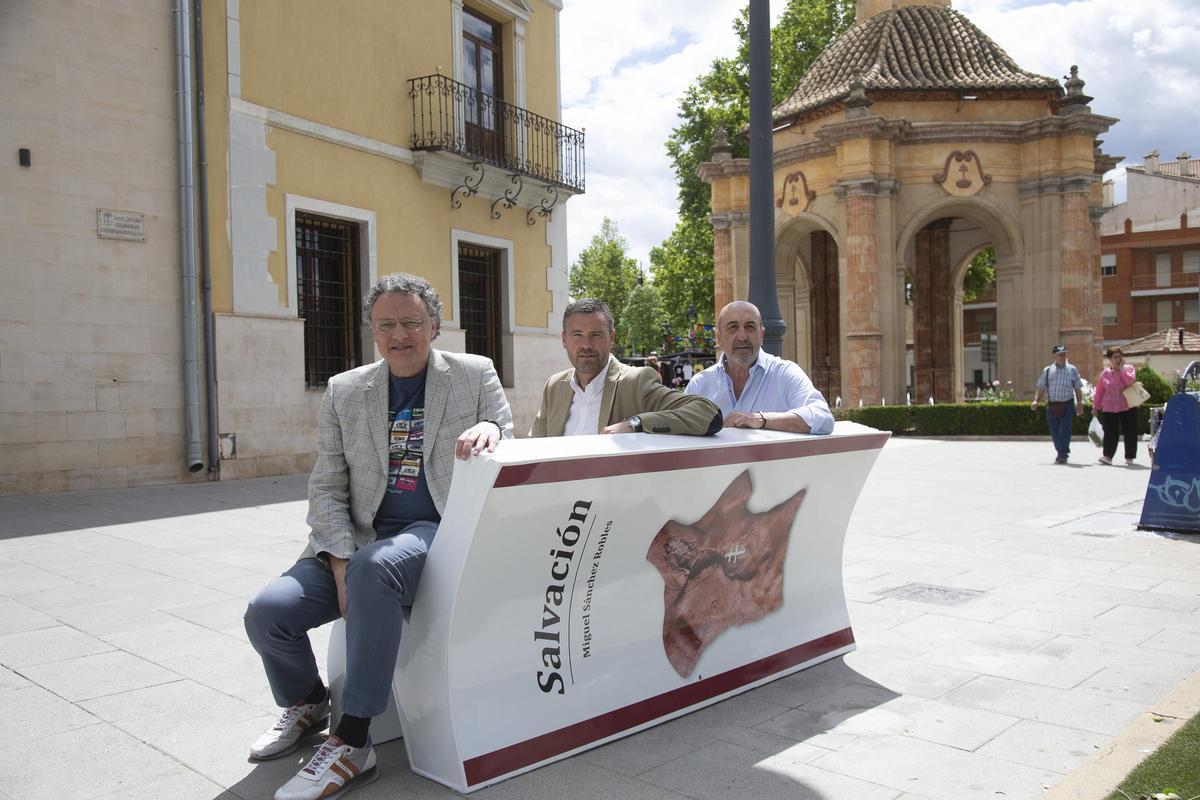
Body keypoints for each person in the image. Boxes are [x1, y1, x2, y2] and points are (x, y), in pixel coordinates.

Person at [243, 273, 512, 800]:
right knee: (268, 612)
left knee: (376, 569)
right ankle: (307, 703)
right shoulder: (347, 390)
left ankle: (353, 741)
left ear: (434, 326)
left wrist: (494, 431)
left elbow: (507, 428)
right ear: (372, 331)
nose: (400, 335)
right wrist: (341, 562)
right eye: (386, 324)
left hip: (433, 531)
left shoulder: (473, 374)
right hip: (357, 538)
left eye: (412, 322)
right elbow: (325, 486)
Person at [529, 298, 721, 437]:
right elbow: (533, 448)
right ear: (564, 340)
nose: (586, 344)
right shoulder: (554, 386)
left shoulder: (636, 382)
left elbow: (707, 413)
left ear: (611, 338)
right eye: (577, 335)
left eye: (595, 334)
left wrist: (636, 424)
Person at [686, 300, 834, 434]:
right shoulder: (700, 384)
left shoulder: (785, 374)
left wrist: (760, 420)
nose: (742, 336)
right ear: (718, 337)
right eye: (733, 328)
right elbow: (679, 430)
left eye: (750, 327)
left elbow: (823, 419)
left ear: (761, 335)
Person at [1031, 344, 1083, 464]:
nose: (1063, 357)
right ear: (1054, 356)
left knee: (1065, 430)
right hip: (1052, 405)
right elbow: (1041, 387)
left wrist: (1079, 403)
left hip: (1067, 404)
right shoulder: (1048, 370)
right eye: (1060, 355)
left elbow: (1077, 388)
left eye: (1064, 354)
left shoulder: (1072, 369)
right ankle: (1062, 451)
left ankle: (1062, 454)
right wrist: (1036, 400)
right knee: (1055, 432)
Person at [1092, 345, 1138, 465]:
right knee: (1110, 432)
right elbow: (1100, 392)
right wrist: (1095, 407)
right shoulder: (1105, 374)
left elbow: (1130, 380)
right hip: (1109, 407)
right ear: (1110, 360)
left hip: (1127, 405)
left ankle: (1130, 456)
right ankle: (1107, 456)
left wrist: (1121, 370)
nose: (1118, 359)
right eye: (1115, 357)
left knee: (1130, 431)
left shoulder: (1128, 369)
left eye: (1120, 356)